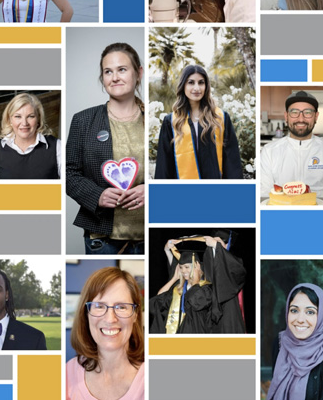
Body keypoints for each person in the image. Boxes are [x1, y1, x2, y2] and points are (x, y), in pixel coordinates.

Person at [67, 43, 146, 255]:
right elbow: (68, 174)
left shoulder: (156, 120)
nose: (115, 77)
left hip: (151, 235)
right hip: (102, 241)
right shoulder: (83, 120)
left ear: (138, 73)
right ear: (102, 78)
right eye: (108, 72)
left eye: (122, 69)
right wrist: (97, 195)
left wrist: (152, 191)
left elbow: (176, 176)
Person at [67, 267, 144, 400]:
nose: (110, 319)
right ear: (86, 313)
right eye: (99, 306)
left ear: (135, 314)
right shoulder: (68, 372)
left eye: (121, 307)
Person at [155, 64, 243, 179]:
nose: (197, 88)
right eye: (191, 82)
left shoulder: (220, 118)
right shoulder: (171, 122)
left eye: (201, 82)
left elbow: (232, 162)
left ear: (206, 86)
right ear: (183, 86)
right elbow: (164, 165)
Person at [149, 234, 247, 334]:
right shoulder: (180, 288)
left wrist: (216, 247)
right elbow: (157, 301)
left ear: (197, 266)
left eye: (187, 267)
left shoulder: (206, 287)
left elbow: (197, 302)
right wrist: (174, 278)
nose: (183, 271)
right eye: (181, 267)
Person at [260, 91, 323, 201]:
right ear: (286, 116)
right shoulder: (269, 152)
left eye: (307, 112)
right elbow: (265, 195)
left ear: (316, 116)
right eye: (294, 112)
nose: (301, 119)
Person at [267, 283, 323, 400]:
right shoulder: (279, 343)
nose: (300, 319)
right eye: (294, 310)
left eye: (310, 312)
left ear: (322, 315)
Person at [0, 93, 60, 179]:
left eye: (30, 116)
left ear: (38, 118)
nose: (24, 123)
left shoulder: (56, 146)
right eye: (18, 116)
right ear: (10, 120)